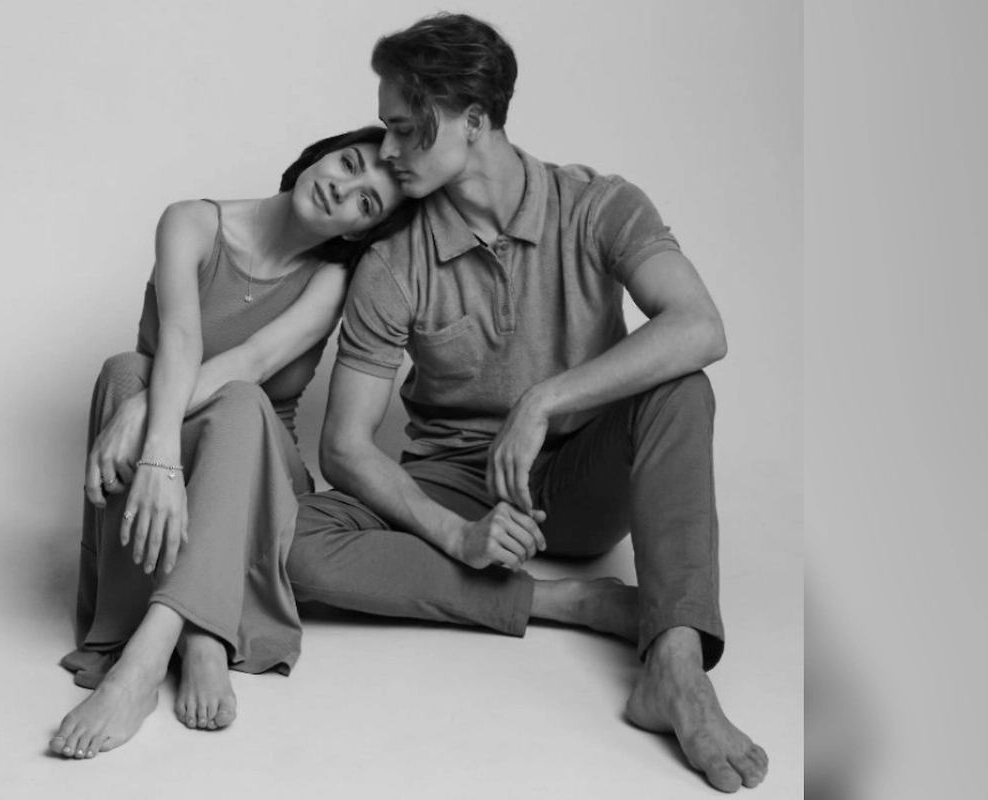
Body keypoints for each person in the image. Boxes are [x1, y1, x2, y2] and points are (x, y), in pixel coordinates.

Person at [285, 14, 769, 793]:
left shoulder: (598, 205)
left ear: (474, 121)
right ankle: (568, 604)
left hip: (580, 480)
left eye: (405, 129)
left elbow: (699, 327)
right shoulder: (392, 261)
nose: (387, 151)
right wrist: (457, 534)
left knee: (682, 385)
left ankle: (676, 669)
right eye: (386, 128)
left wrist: (543, 401)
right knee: (291, 540)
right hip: (459, 483)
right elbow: (342, 445)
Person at [49, 126, 414, 760]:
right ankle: (202, 631)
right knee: (125, 372)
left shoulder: (330, 279)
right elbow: (180, 338)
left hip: (259, 469)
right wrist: (160, 445)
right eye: (348, 164)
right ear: (318, 155)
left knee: (240, 398)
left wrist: (150, 425)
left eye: (365, 203)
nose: (342, 189)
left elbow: (253, 359)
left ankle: (146, 660)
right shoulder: (190, 222)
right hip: (179, 444)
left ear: (361, 231)